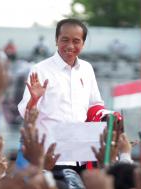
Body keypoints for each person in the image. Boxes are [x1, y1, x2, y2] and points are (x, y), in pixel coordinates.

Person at [18, 18, 114, 171]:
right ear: (56, 40)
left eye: (76, 41)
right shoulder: (40, 70)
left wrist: (111, 118)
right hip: (51, 157)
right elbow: (26, 115)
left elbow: (95, 105)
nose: (70, 46)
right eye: (65, 40)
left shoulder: (87, 69)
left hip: (81, 156)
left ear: (83, 43)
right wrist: (34, 100)